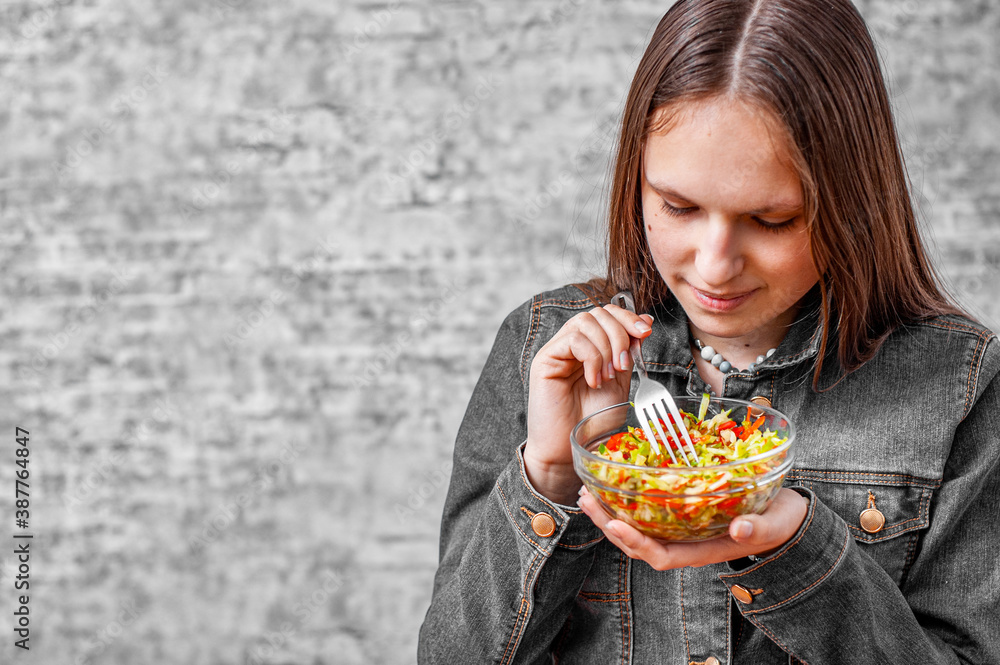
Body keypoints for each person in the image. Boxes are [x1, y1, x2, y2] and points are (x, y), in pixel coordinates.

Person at [418, 0, 1000, 662]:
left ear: (851, 200)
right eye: (678, 206)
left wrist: (798, 549)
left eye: (772, 219)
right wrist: (549, 474)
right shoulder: (543, 347)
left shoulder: (960, 383)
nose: (715, 266)